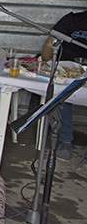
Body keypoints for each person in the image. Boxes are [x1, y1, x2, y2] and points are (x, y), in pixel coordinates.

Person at [40, 10, 87, 167]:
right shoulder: (72, 20)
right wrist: (46, 58)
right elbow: (49, 47)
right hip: (65, 74)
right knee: (60, 93)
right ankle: (65, 140)